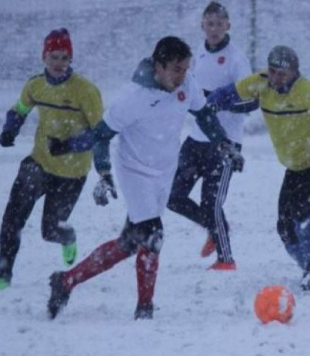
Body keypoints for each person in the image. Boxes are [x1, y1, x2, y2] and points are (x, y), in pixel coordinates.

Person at [47, 36, 241, 320]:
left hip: (164, 171)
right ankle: (145, 309)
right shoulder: (132, 97)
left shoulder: (186, 84)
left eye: (186, 68)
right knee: (153, 235)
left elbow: (203, 114)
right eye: (176, 69)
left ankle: (65, 281)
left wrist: (222, 142)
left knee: (129, 243)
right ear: (158, 67)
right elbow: (101, 136)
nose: (182, 75)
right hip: (134, 171)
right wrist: (101, 171)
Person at [205, 45, 310, 290]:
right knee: (283, 227)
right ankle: (308, 268)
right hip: (295, 169)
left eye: (282, 73)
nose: (276, 78)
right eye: (272, 71)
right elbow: (224, 95)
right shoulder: (259, 83)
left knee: (301, 207)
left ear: (294, 72)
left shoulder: (307, 91)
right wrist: (206, 106)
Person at [0, 28, 104, 290]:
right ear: (44, 57)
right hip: (39, 162)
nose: (59, 63)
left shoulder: (85, 90)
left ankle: (66, 236)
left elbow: (102, 133)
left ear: (71, 60)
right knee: (12, 219)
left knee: (50, 231)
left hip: (72, 172)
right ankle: (3, 273)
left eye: (64, 58)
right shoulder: (35, 85)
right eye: (54, 57)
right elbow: (20, 108)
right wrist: (11, 127)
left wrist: (70, 144)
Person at [167, 1, 252, 271]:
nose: (214, 29)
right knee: (173, 196)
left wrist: (219, 102)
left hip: (225, 142)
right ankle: (215, 228)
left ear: (228, 26)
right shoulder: (196, 57)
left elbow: (252, 102)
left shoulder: (237, 59)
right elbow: (191, 94)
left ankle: (226, 260)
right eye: (209, 23)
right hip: (196, 140)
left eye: (219, 23)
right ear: (202, 26)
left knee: (211, 202)